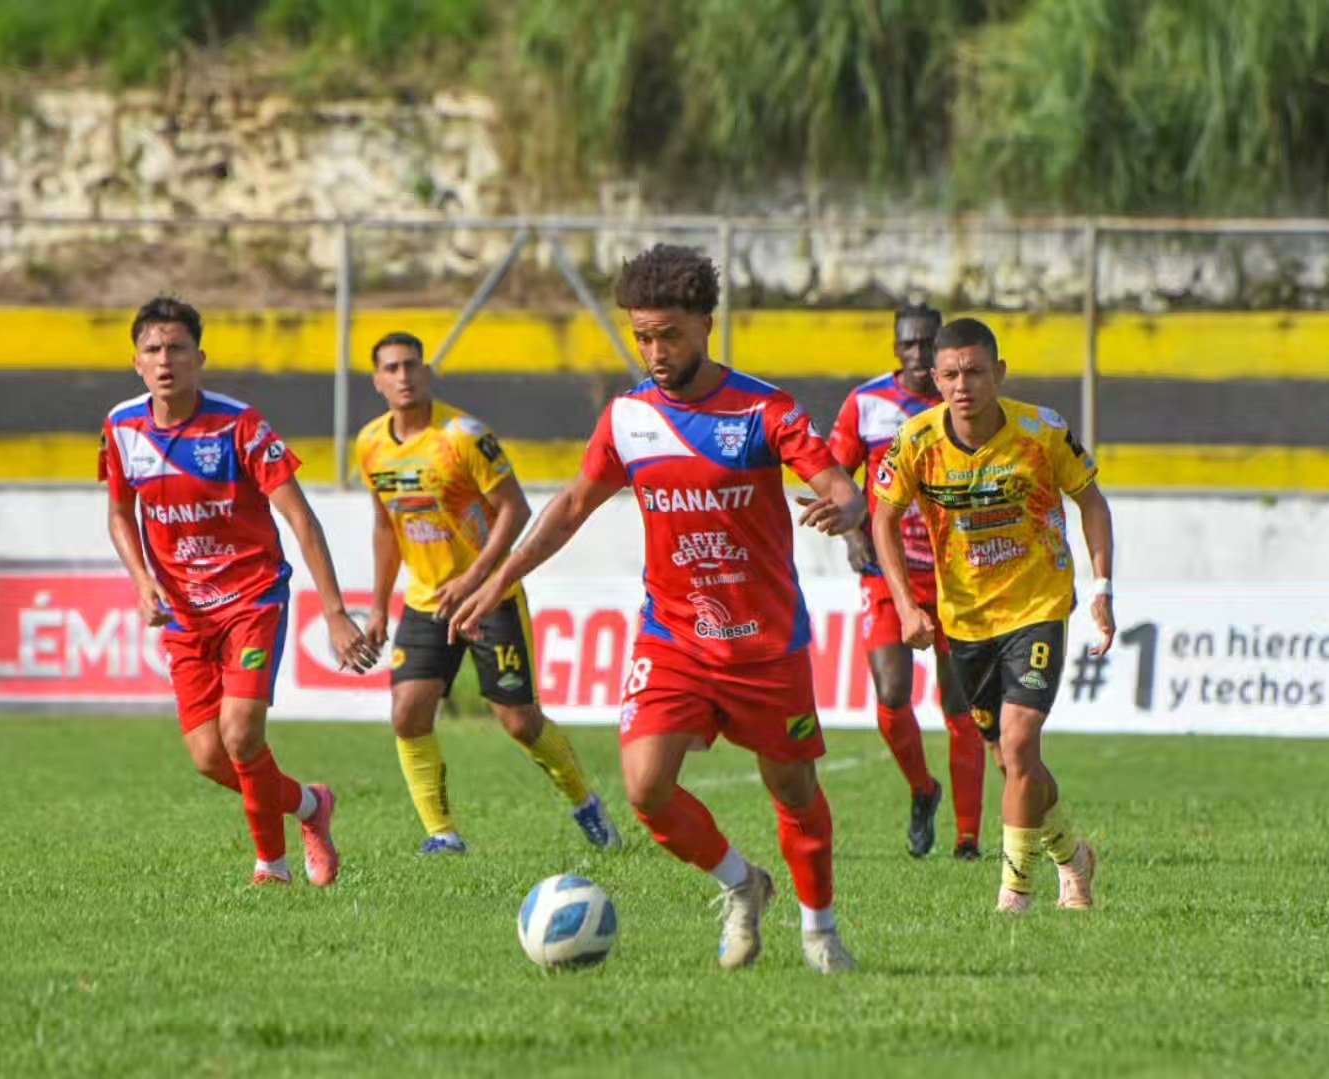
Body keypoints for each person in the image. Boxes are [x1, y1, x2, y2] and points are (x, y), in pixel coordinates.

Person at [451, 245, 868, 973]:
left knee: (794, 790)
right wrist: (497, 579)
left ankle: (819, 931)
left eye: (668, 334)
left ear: (705, 325)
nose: (653, 351)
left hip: (764, 642)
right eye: (642, 336)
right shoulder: (626, 419)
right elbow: (573, 504)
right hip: (672, 634)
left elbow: (834, 480)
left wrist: (846, 503)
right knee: (645, 787)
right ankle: (742, 884)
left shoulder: (761, 409)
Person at [100, 296, 377, 887]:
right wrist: (142, 580)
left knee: (241, 733)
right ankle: (311, 807)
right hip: (183, 614)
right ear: (136, 363)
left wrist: (334, 614)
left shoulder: (239, 426)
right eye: (153, 349)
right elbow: (119, 514)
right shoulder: (123, 428)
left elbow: (302, 520)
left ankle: (270, 869)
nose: (165, 359)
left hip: (252, 598)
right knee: (209, 757)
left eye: (176, 348)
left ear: (200, 357)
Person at [871, 316, 1113, 913]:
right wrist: (906, 605)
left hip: (1036, 606)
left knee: (1020, 737)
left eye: (975, 372)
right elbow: (882, 518)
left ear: (998, 374)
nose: (963, 385)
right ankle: (1074, 860)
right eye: (950, 374)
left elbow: (1091, 500)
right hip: (965, 620)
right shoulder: (916, 442)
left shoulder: (1042, 432)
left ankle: (1014, 894)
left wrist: (1103, 585)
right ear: (934, 377)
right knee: (1012, 761)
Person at [356, 331, 623, 856]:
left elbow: (515, 509)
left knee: (519, 722)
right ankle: (443, 835)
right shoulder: (370, 444)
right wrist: (381, 605)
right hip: (426, 600)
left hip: (489, 596)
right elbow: (386, 527)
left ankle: (584, 802)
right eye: (392, 368)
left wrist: (476, 578)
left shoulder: (463, 435)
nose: (404, 377)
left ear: (427, 372)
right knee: (408, 712)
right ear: (377, 381)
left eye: (412, 365)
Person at [828, 304, 986, 860]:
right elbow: (835, 479)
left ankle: (968, 839)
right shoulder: (867, 404)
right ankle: (923, 790)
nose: (918, 355)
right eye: (909, 345)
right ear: (897, 348)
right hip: (887, 574)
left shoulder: (962, 405)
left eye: (928, 345)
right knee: (892, 695)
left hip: (957, 580)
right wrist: (852, 535)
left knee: (960, 706)